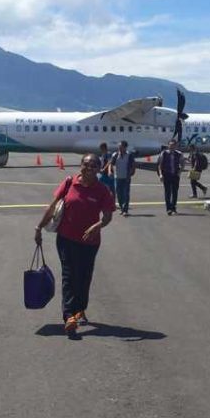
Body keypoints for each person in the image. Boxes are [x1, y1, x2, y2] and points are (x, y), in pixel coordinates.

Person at [35, 153, 115, 335]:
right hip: (66, 238)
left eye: (94, 166)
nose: (89, 168)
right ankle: (69, 315)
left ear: (99, 169)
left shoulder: (102, 190)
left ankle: (80, 308)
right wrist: (38, 227)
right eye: (86, 165)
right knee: (69, 274)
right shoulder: (70, 183)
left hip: (90, 241)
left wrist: (98, 225)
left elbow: (108, 216)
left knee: (84, 276)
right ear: (81, 165)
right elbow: (52, 206)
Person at [108, 140, 135, 216]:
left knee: (126, 194)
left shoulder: (129, 155)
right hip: (118, 177)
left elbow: (133, 164)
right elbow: (111, 164)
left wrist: (132, 172)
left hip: (126, 177)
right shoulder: (115, 155)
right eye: (119, 146)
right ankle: (121, 207)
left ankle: (125, 210)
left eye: (121, 146)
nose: (119, 148)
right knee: (119, 194)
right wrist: (110, 171)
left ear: (125, 147)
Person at [158, 139, 183, 215]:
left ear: (176, 146)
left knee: (175, 192)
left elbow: (183, 163)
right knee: (167, 192)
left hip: (175, 175)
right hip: (167, 174)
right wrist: (161, 174)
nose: (172, 146)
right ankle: (168, 208)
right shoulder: (164, 153)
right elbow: (160, 165)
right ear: (168, 145)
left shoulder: (179, 154)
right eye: (170, 145)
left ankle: (173, 207)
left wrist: (179, 171)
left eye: (173, 145)